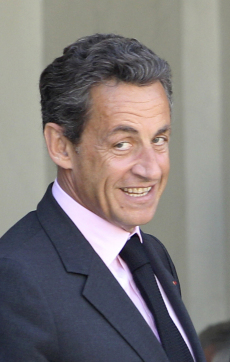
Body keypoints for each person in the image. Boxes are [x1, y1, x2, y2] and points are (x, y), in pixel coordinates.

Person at [0, 34, 205, 362]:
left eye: (159, 139)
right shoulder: (16, 277)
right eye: (122, 144)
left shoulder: (150, 254)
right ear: (61, 146)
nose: (150, 170)